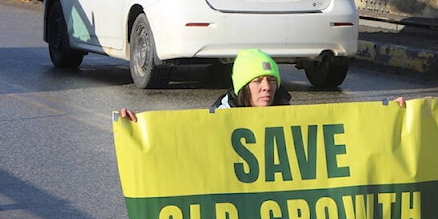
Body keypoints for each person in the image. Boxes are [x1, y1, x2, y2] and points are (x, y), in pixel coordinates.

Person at [119, 48, 401, 121]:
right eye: (256, 81)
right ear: (242, 88)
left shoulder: (288, 116)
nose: (266, 87)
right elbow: (179, 146)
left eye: (270, 80)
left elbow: (349, 134)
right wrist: (138, 128)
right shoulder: (219, 119)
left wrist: (392, 118)